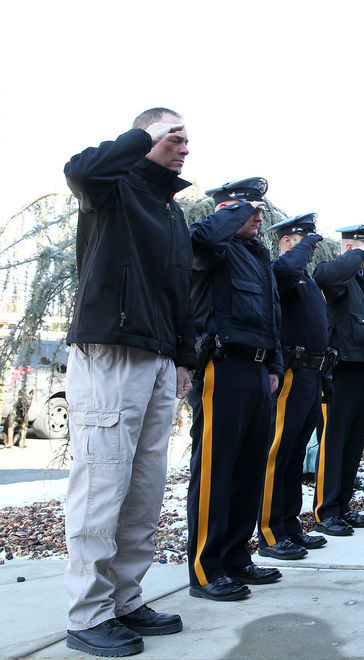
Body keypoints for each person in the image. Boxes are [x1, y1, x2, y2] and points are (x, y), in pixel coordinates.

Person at [62, 108, 193, 657]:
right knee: (102, 486)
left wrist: (183, 359)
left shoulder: (169, 211)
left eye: (188, 139)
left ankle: (125, 600)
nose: (185, 147)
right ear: (148, 137)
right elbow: (80, 169)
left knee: (142, 490)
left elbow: (178, 292)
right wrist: (142, 135)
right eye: (175, 136)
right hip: (111, 356)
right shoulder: (110, 187)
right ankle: (88, 615)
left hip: (159, 360)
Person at [186, 177, 283, 602]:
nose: (258, 218)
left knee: (248, 469)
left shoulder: (256, 256)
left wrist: (275, 366)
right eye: (249, 210)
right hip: (221, 370)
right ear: (228, 210)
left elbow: (270, 318)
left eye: (259, 210)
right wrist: (233, 211)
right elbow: (201, 241)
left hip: (258, 372)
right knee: (214, 470)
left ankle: (236, 557)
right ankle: (205, 569)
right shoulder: (215, 247)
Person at [257, 214, 346, 559]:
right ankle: (269, 532)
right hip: (291, 373)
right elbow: (286, 271)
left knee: (294, 456)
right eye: (303, 241)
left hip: (311, 373)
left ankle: (290, 526)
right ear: (287, 242)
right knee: (278, 453)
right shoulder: (282, 271)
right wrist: (305, 243)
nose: (310, 250)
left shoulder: (305, 282)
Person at [312, 224, 364, 536]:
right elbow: (326, 278)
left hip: (363, 370)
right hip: (338, 371)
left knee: (354, 443)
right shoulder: (335, 272)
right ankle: (326, 511)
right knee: (334, 442)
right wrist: (355, 254)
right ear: (349, 248)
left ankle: (343, 507)